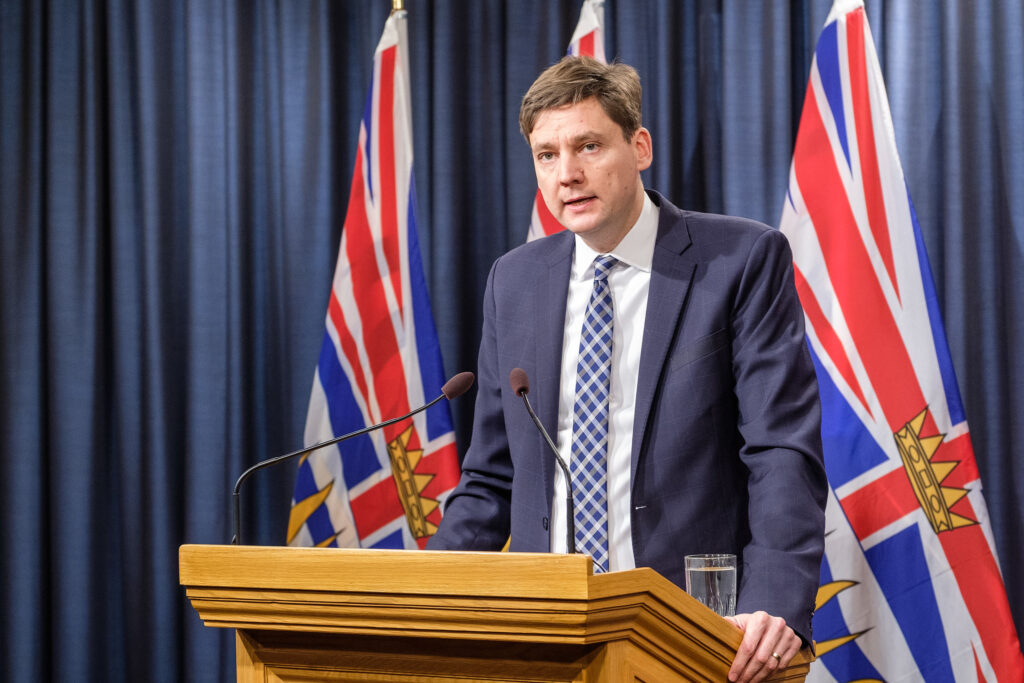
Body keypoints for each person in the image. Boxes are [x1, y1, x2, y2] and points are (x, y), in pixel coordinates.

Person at [427, 56, 827, 683]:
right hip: (545, 639)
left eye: (588, 146)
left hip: (693, 632)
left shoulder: (740, 260)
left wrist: (774, 601)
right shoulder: (515, 280)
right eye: (547, 155)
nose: (568, 174)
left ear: (639, 147)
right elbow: (491, 478)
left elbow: (780, 448)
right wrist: (424, 592)